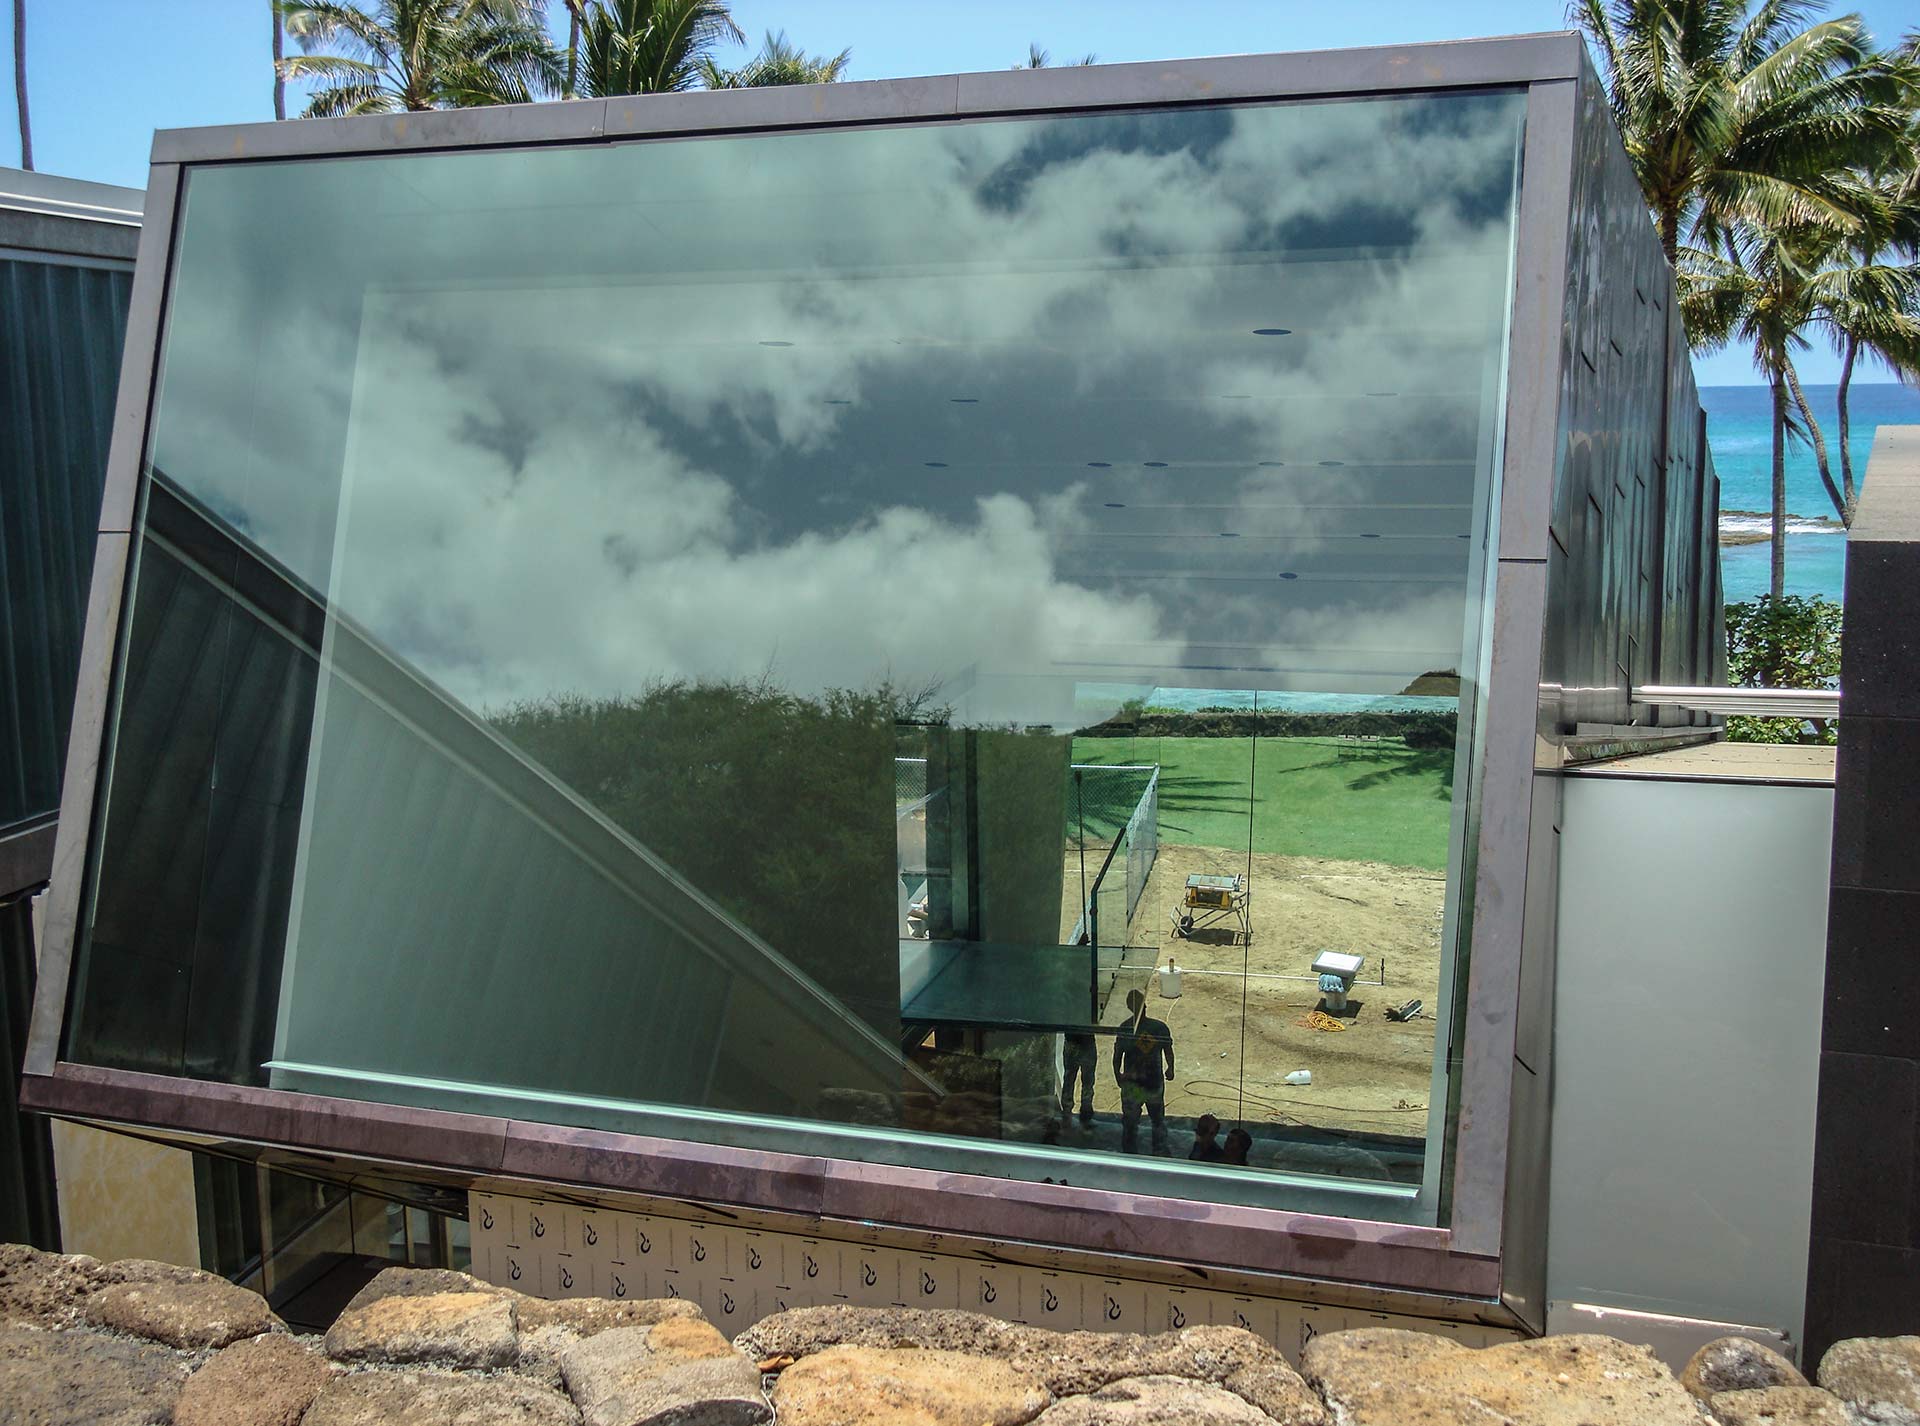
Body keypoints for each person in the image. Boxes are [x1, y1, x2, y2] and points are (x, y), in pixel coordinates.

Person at [1112, 989, 1174, 1155]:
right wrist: (1170, 1068)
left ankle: (1133, 1153)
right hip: (1148, 1083)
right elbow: (1168, 1050)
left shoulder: (1127, 1028)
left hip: (1139, 1084)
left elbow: (1117, 1056)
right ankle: (1156, 1152)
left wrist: (1118, 1074)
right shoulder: (1158, 1027)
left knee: (1136, 1123)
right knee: (1154, 1121)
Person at [1060, 1032, 1097, 1127]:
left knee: (1070, 1079)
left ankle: (1070, 1113)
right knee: (1084, 1081)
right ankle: (1082, 1114)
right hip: (1083, 1042)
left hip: (1076, 1042)